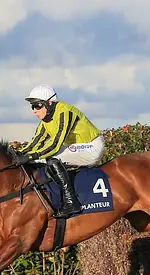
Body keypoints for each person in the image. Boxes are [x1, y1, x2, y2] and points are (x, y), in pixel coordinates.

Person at [12, 84, 105, 218]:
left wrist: (31, 156)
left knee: (51, 158)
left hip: (92, 146)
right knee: (39, 160)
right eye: (32, 106)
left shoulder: (65, 112)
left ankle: (71, 202)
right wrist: (20, 153)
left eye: (37, 105)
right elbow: (36, 142)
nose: (34, 110)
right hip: (78, 147)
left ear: (49, 103)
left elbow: (55, 144)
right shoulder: (45, 120)